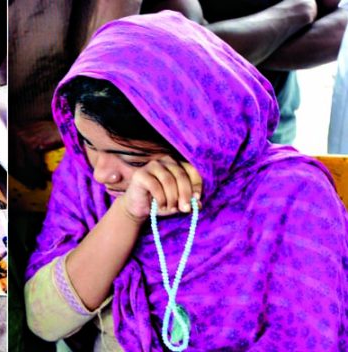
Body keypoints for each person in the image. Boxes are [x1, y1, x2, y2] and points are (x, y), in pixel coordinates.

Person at [25, 13, 348, 351]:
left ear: (199, 142)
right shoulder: (86, 176)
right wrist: (126, 214)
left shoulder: (291, 197)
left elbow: (307, 340)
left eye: (134, 159)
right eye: (89, 143)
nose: (103, 173)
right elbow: (44, 321)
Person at [142, 0, 347, 145]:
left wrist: (224, 48)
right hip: (185, 133)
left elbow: (340, 30)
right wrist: (296, 11)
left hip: (272, 130)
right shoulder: (297, 8)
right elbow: (183, 41)